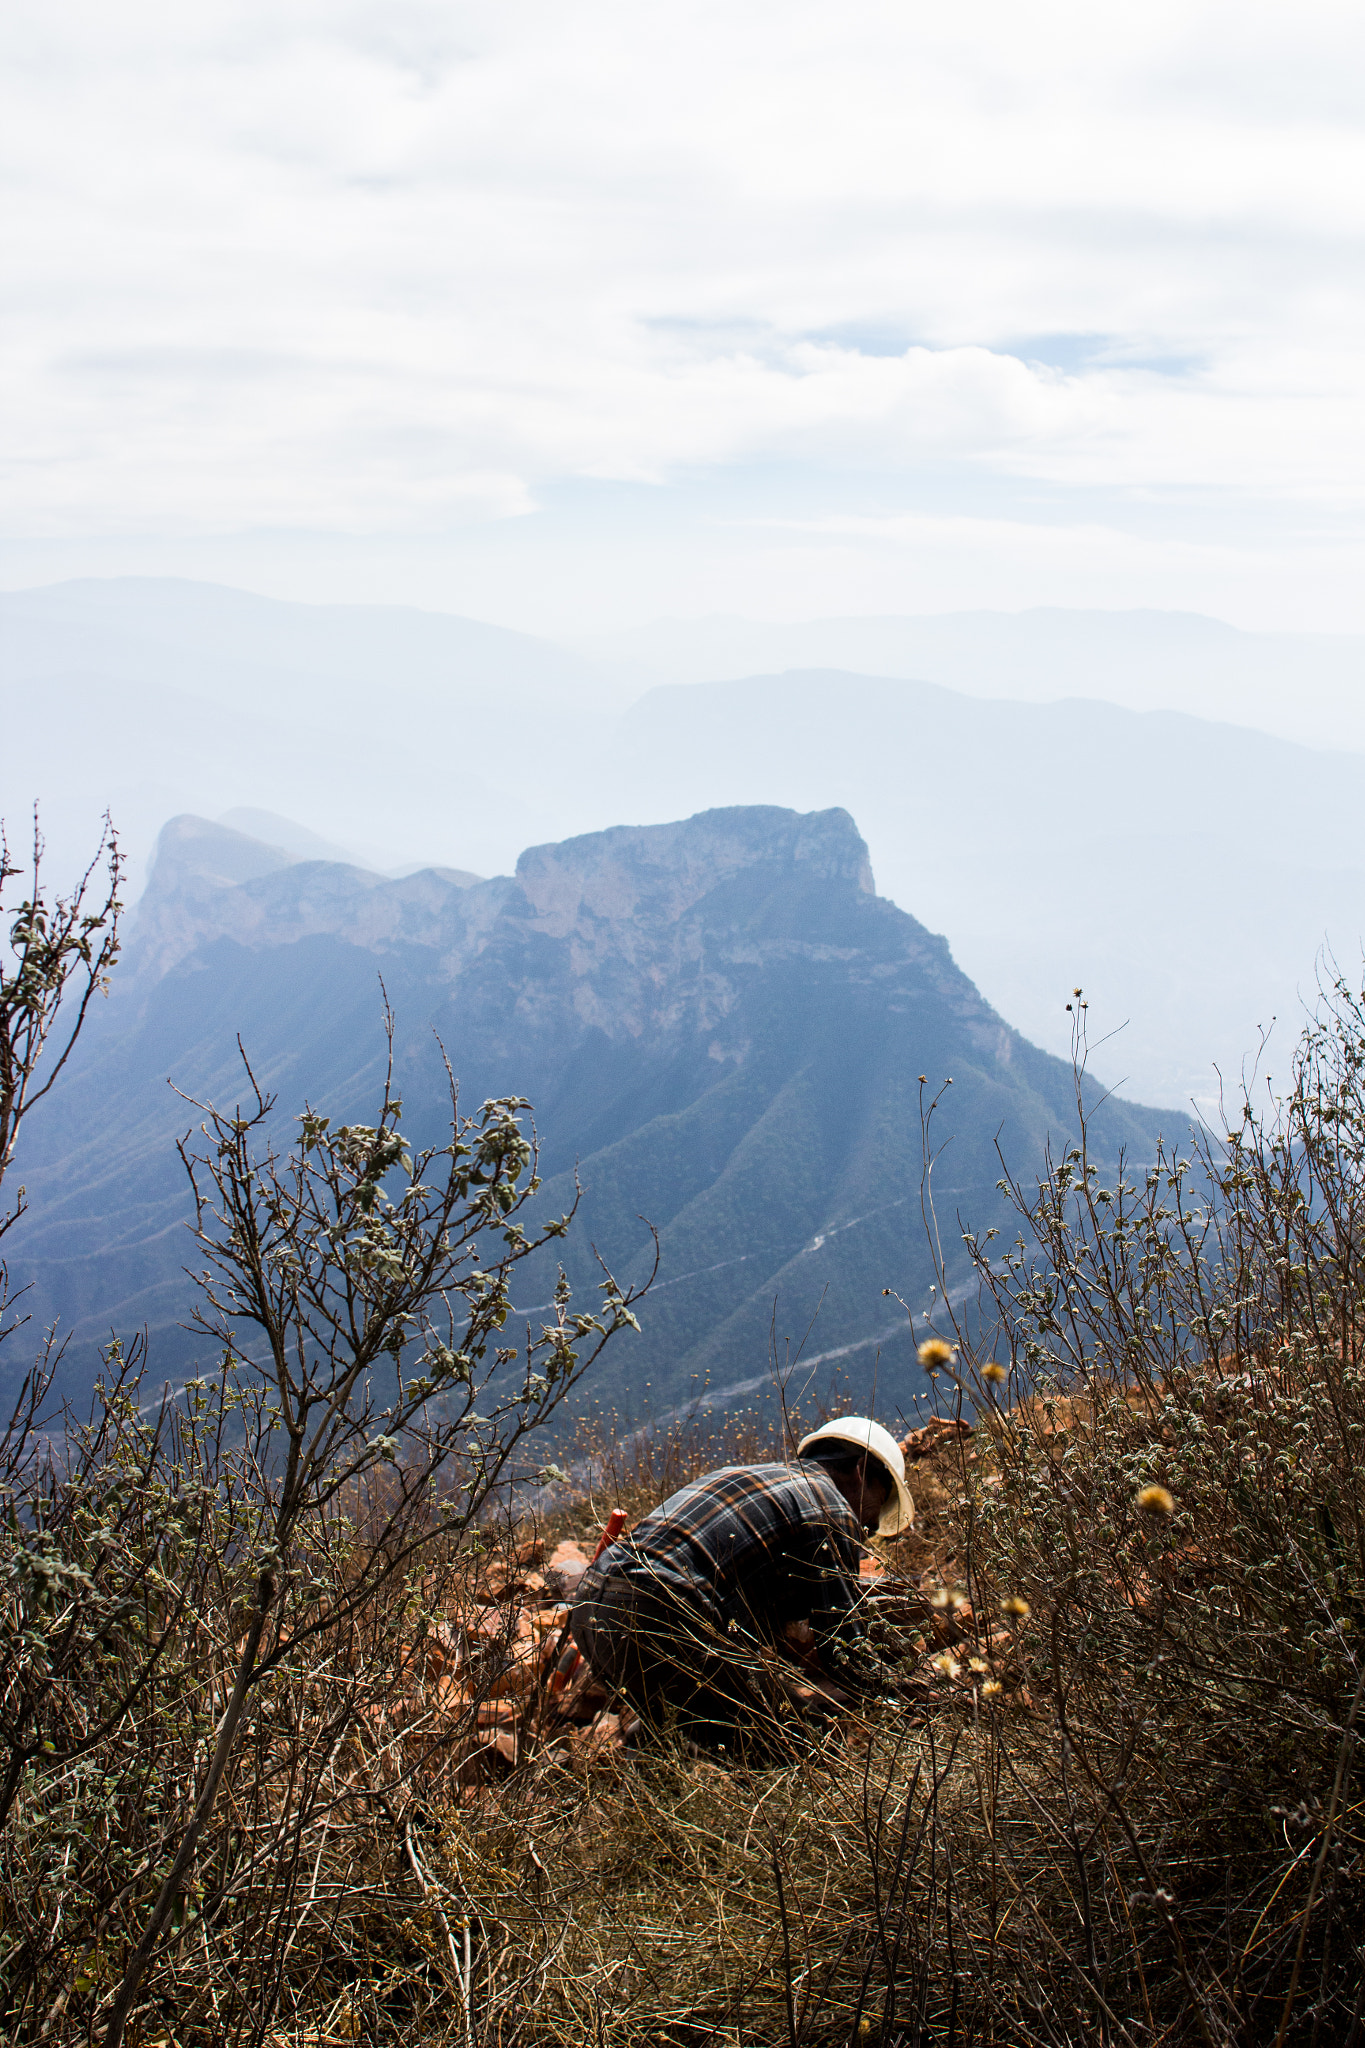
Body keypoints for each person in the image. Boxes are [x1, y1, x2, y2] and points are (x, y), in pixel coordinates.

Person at [568, 1417, 914, 1752]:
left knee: (681, 1719)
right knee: (807, 1743)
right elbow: (845, 1650)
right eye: (876, 1512)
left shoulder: (754, 1477)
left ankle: (643, 1774)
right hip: (661, 1612)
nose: (866, 1527)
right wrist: (909, 1699)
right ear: (862, 1470)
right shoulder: (832, 1509)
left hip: (590, 1612)